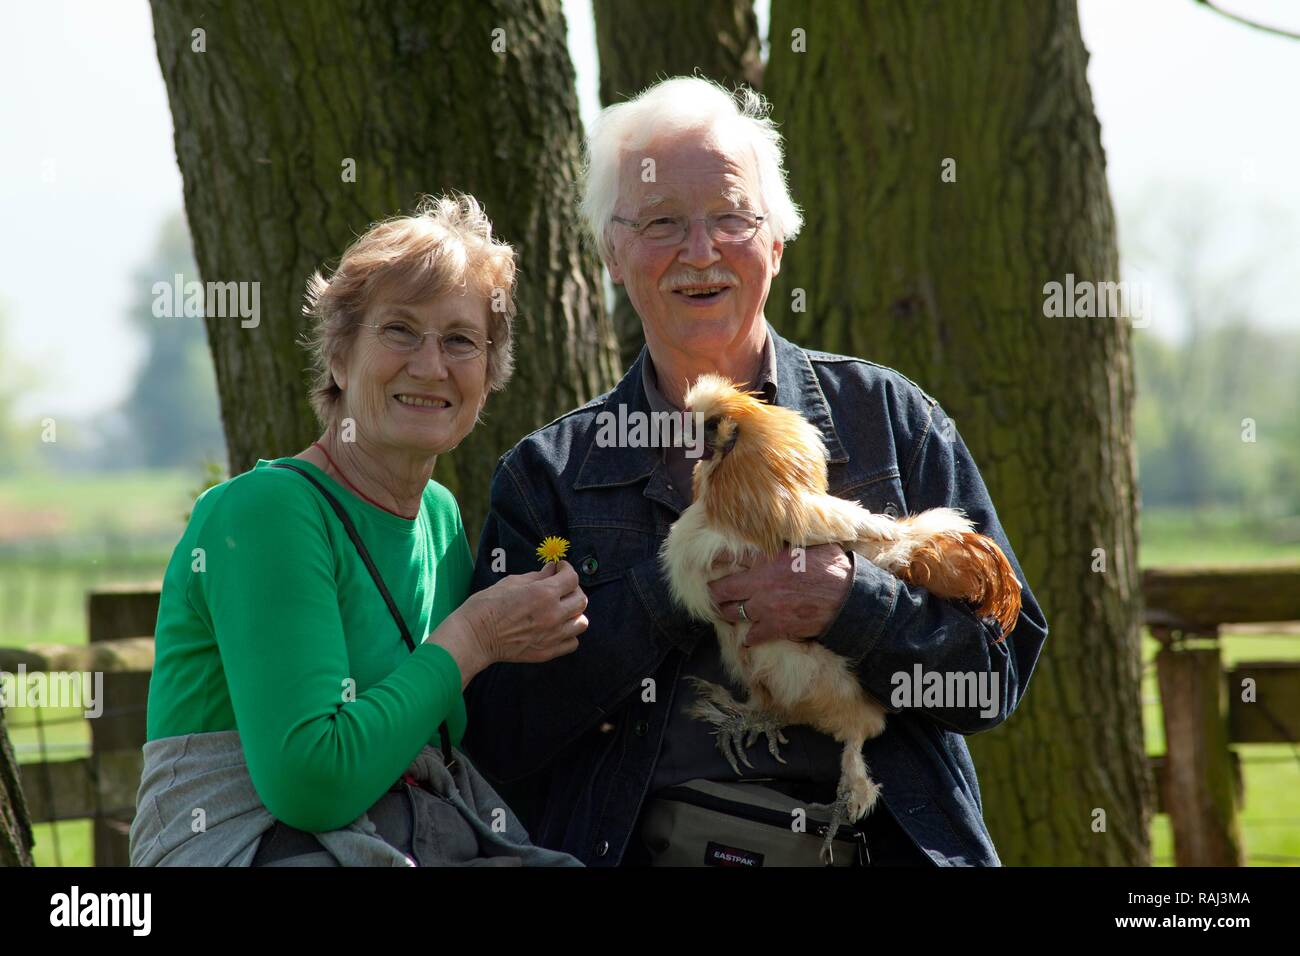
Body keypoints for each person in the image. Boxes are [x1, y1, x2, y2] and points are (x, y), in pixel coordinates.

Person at [462, 78, 1050, 867]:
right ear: (611, 253)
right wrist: (674, 594)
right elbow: (497, 735)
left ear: (777, 241)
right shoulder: (548, 479)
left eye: (732, 218)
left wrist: (850, 602)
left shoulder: (890, 420)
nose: (699, 251)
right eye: (662, 222)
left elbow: (994, 680)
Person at [129, 194, 586, 866]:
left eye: (460, 340)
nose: (431, 366)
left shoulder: (438, 517)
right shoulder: (264, 513)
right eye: (399, 330)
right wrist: (476, 636)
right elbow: (312, 784)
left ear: (489, 376)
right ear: (340, 358)